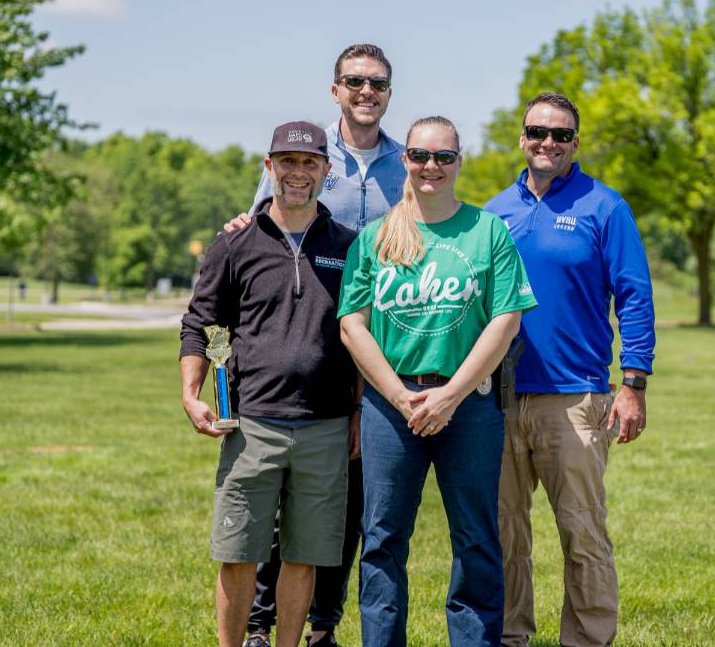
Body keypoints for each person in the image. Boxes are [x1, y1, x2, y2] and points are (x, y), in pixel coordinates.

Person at [228, 44, 405, 647]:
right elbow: (261, 220)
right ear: (335, 90)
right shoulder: (305, 152)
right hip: (296, 350)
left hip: (374, 348)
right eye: (354, 81)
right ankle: (259, 625)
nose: (365, 91)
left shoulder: (410, 166)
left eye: (376, 83)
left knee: (346, 505)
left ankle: (322, 625)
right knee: (281, 507)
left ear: (388, 92)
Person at [338, 116, 538, 647]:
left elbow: (506, 319)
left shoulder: (486, 231)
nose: (431, 167)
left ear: (458, 161)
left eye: (443, 157)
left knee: (476, 538)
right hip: (390, 406)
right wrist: (401, 396)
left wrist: (449, 394)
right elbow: (352, 323)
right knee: (382, 538)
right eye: (420, 156)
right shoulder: (377, 236)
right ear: (405, 159)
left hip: (468, 405)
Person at [484, 92, 656, 647]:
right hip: (499, 399)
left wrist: (632, 383)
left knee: (582, 533)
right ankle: (511, 636)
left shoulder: (605, 207)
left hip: (575, 399)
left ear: (575, 144)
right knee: (504, 534)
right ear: (522, 138)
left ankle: (586, 640)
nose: (547, 143)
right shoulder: (492, 213)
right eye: (537, 132)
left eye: (560, 135)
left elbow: (634, 295)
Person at [180, 121, 359, 647]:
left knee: (304, 556)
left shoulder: (350, 248)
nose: (298, 173)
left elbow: (361, 335)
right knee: (238, 553)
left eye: (309, 163)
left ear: (327, 173)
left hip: (325, 426)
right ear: (269, 168)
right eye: (288, 162)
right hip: (251, 423)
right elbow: (200, 322)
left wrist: (358, 411)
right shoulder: (233, 243)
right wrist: (191, 394)